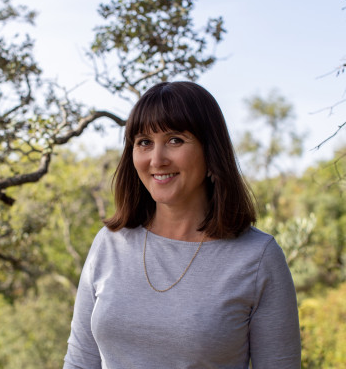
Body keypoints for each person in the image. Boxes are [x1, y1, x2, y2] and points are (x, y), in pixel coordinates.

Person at [63, 81, 301, 369]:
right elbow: (80, 362)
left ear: (211, 151)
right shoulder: (109, 243)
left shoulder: (257, 258)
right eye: (144, 142)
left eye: (175, 139)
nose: (157, 159)